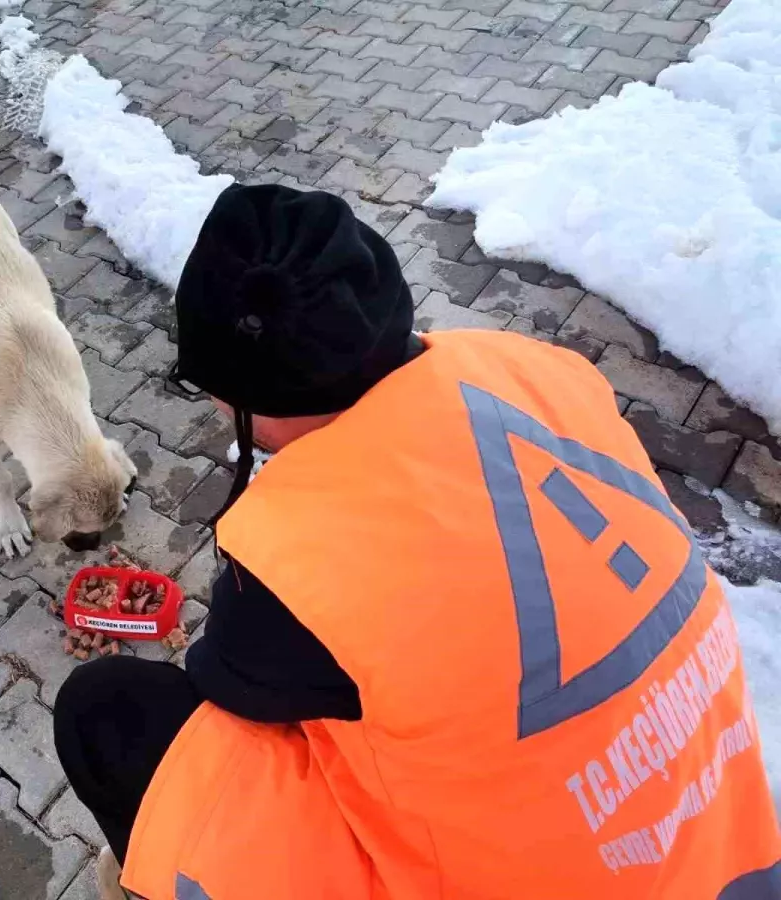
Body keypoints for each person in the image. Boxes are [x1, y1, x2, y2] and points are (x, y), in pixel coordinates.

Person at [53, 185, 781, 900]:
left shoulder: (290, 558)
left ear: (247, 399)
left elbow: (227, 683)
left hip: (543, 877)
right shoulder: (532, 368)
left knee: (112, 711)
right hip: (724, 840)